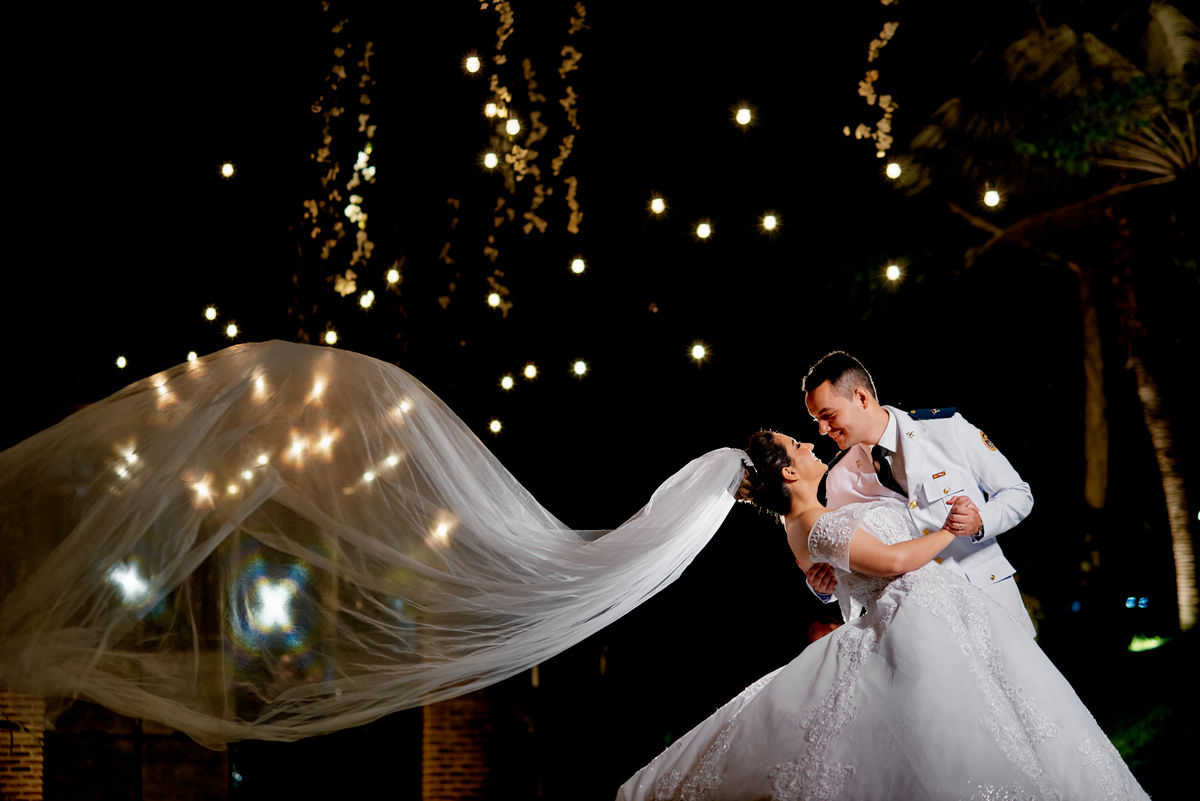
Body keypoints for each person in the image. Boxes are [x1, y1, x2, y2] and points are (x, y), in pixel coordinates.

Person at [616, 430, 1148, 801]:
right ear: (789, 470)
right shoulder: (818, 522)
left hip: (940, 612)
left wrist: (825, 580)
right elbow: (892, 562)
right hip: (918, 620)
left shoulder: (807, 519)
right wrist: (949, 532)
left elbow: (838, 566)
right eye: (798, 444)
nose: (812, 442)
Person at [801, 351, 1035, 635]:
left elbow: (1018, 493)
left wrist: (980, 521)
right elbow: (850, 562)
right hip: (923, 625)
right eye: (817, 420)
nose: (822, 429)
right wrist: (825, 587)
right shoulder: (839, 479)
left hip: (992, 601)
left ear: (861, 398)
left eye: (828, 416)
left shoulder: (947, 429)